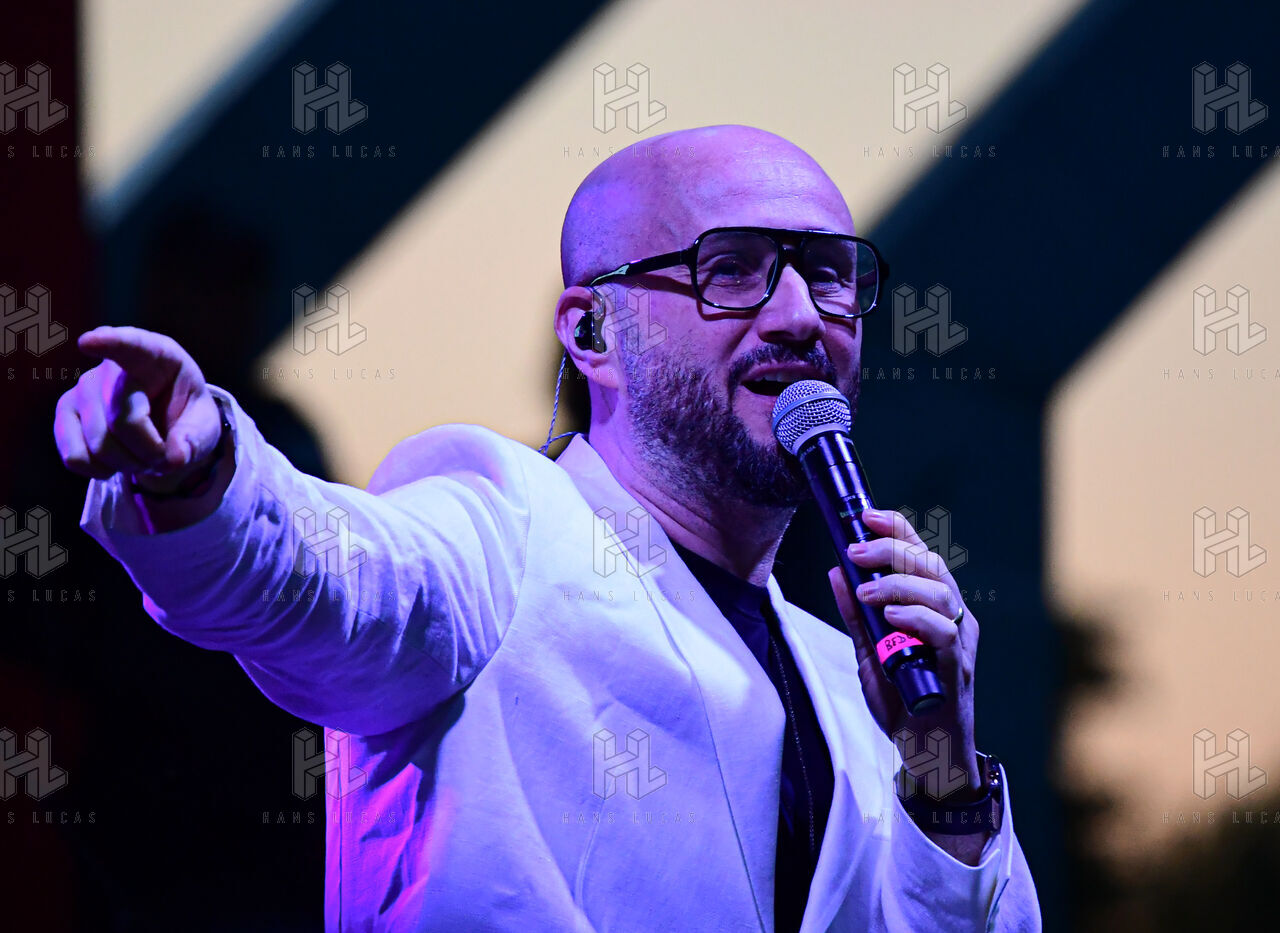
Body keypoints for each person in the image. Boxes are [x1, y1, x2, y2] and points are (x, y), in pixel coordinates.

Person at [55, 124, 1041, 931]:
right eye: (731, 269)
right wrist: (206, 475)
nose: (798, 315)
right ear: (593, 334)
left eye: (828, 274)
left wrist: (940, 764)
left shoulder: (861, 682)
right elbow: (327, 580)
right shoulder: (498, 527)